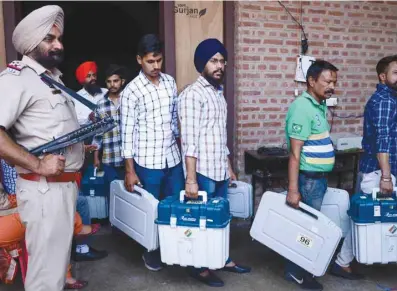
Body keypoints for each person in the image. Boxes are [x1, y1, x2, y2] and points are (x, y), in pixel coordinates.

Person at [0, 5, 84, 290]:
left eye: (59, 38)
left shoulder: (51, 80)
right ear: (31, 43)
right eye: (49, 38)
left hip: (61, 189)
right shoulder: (17, 79)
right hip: (43, 188)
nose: (58, 44)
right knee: (45, 278)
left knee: (55, 271)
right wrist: (36, 164)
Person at [178, 38, 251, 288]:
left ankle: (223, 258)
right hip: (202, 173)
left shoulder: (218, 93)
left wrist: (229, 165)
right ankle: (199, 267)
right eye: (213, 61)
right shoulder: (192, 95)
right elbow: (189, 141)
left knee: (221, 219)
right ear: (202, 65)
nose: (219, 66)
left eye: (222, 61)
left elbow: (219, 135)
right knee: (201, 223)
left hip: (219, 169)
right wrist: (191, 179)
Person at [120, 34, 184, 271]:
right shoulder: (131, 91)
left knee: (175, 206)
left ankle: (173, 249)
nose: (156, 66)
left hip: (173, 159)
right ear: (139, 60)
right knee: (152, 210)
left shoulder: (169, 82)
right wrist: (130, 171)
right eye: (150, 61)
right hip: (147, 163)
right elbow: (126, 133)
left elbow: (175, 122)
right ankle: (152, 251)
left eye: (159, 60)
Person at [330, 55, 397, 280]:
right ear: (382, 76)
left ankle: (344, 261)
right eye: (395, 73)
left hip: (379, 170)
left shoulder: (388, 99)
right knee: (363, 218)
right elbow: (383, 140)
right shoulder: (385, 101)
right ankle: (342, 262)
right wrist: (386, 177)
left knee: (362, 217)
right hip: (381, 173)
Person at [284, 60, 339, 290]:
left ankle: (304, 268)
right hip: (308, 181)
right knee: (305, 229)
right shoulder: (302, 107)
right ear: (312, 81)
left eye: (334, 82)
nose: (332, 86)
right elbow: (295, 154)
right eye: (327, 81)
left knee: (312, 228)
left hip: (318, 180)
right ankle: (298, 272)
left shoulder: (319, 104)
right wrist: (293, 189)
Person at [92, 65, 126, 179]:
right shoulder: (101, 104)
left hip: (130, 160)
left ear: (122, 81)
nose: (112, 84)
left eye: (116, 81)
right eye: (109, 82)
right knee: (111, 192)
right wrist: (96, 157)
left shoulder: (130, 100)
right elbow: (98, 133)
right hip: (109, 159)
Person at [75, 61, 108, 126]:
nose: (93, 78)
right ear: (82, 80)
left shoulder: (106, 92)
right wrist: (89, 118)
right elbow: (75, 120)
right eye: (88, 76)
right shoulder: (76, 97)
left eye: (94, 75)